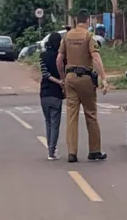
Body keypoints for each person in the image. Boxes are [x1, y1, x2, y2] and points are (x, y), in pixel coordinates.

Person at [56, 9, 109, 163]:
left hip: (70, 78)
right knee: (90, 114)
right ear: (87, 21)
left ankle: (72, 153)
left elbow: (59, 60)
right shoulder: (88, 36)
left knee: (71, 116)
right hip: (86, 78)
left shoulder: (67, 36)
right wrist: (103, 78)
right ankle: (94, 151)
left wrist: (63, 78)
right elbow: (96, 58)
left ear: (76, 21)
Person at [39, 32, 64, 160]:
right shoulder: (61, 57)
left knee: (48, 122)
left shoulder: (42, 56)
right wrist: (60, 82)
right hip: (56, 94)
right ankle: (51, 151)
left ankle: (50, 149)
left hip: (44, 93)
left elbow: (45, 74)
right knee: (55, 124)